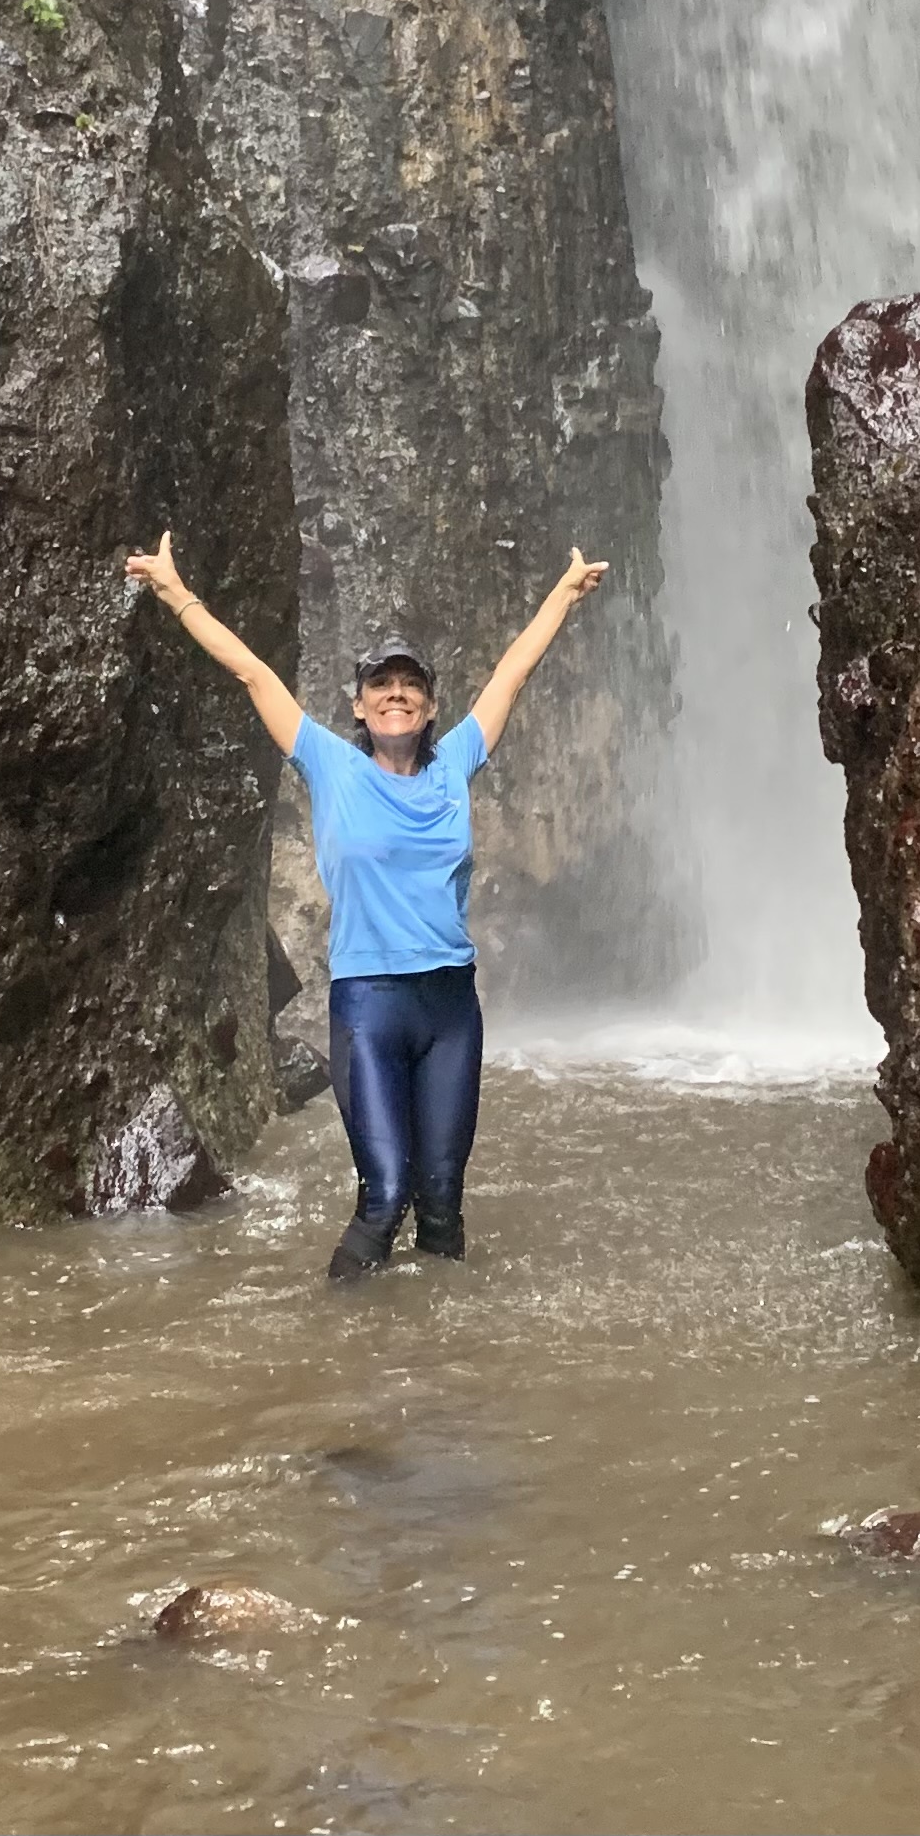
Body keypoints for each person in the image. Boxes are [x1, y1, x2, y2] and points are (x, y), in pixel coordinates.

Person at [123, 529, 609, 1280]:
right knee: (384, 1197)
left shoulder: (455, 763)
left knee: (441, 1201)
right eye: (381, 683)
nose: (396, 693)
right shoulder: (330, 764)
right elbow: (252, 672)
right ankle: (339, 1338)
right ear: (359, 703)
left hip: (450, 1006)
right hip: (370, 1006)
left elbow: (512, 674)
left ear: (430, 705)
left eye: (410, 684)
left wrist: (563, 594)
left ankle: (436, 1338)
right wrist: (176, 593)